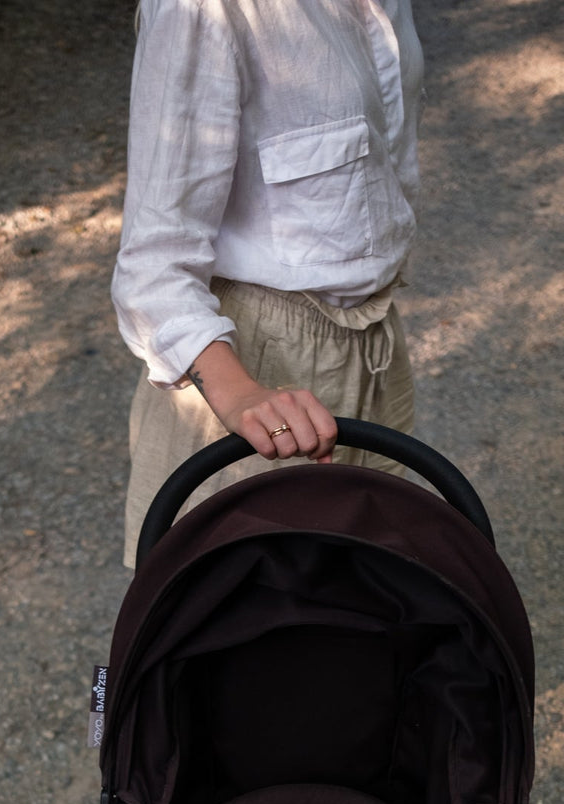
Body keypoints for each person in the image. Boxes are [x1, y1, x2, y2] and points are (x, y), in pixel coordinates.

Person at [113, 0, 424, 565]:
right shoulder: (205, 9)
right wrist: (241, 394)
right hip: (253, 366)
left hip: (376, 346)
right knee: (238, 623)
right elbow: (153, 265)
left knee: (365, 597)